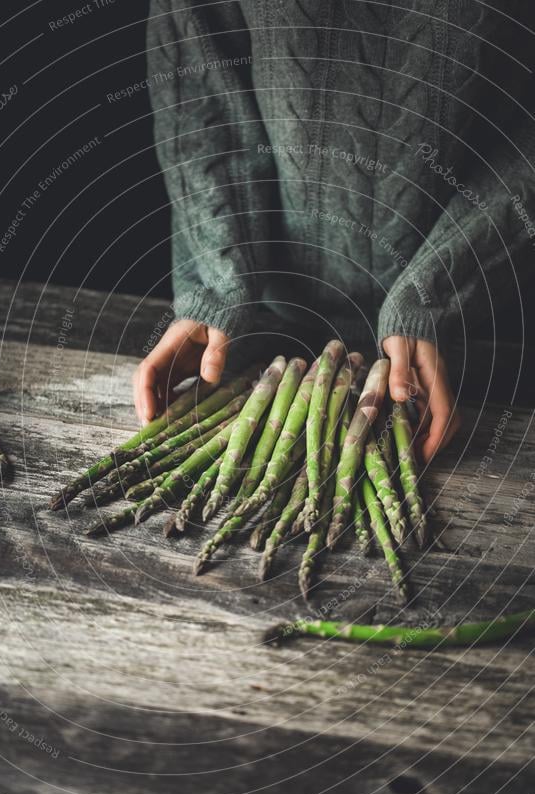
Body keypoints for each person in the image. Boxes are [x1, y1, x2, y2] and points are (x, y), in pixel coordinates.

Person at [136, 1, 535, 463]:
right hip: (253, 336)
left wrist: (437, 292)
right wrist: (217, 279)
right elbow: (198, 85)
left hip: (481, 339)